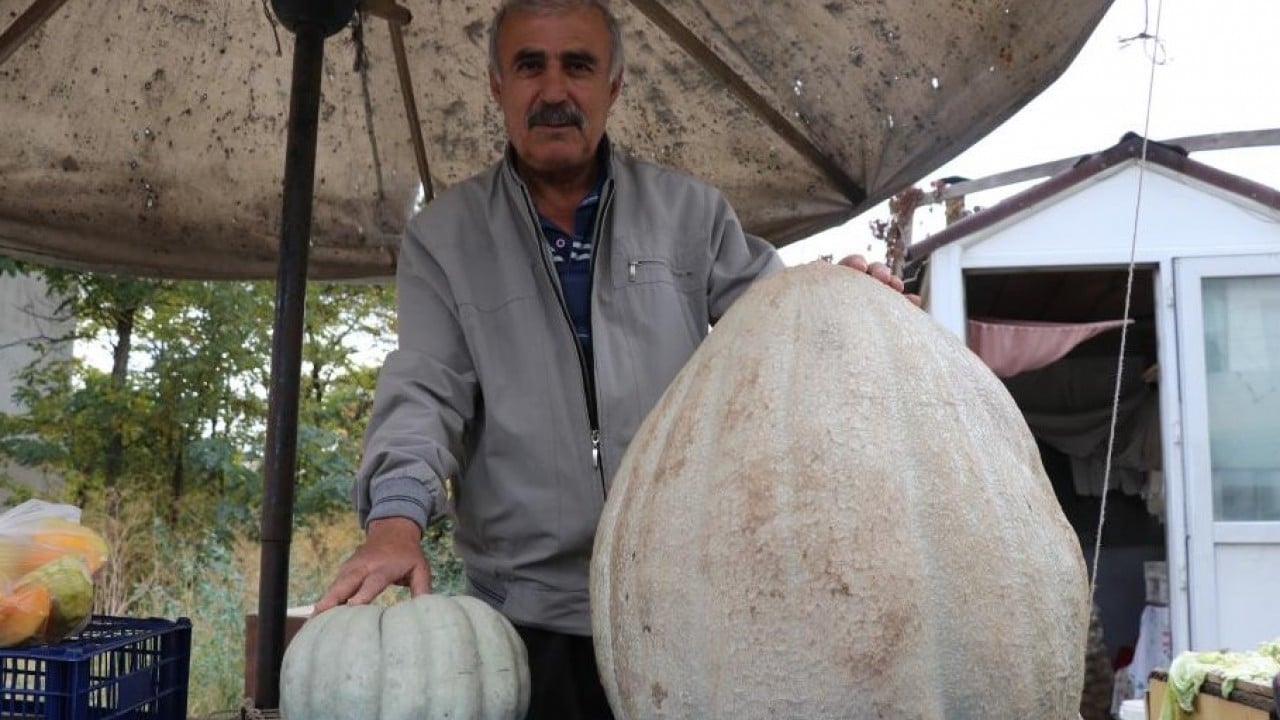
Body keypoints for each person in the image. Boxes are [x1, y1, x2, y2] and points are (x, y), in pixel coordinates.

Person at [316, 1, 909, 717]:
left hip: (680, 606)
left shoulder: (692, 214)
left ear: (614, 86)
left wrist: (838, 297)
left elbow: (777, 321)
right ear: (498, 85)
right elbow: (425, 389)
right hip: (521, 621)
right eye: (530, 65)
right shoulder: (444, 238)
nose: (555, 90)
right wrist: (395, 520)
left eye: (579, 65)